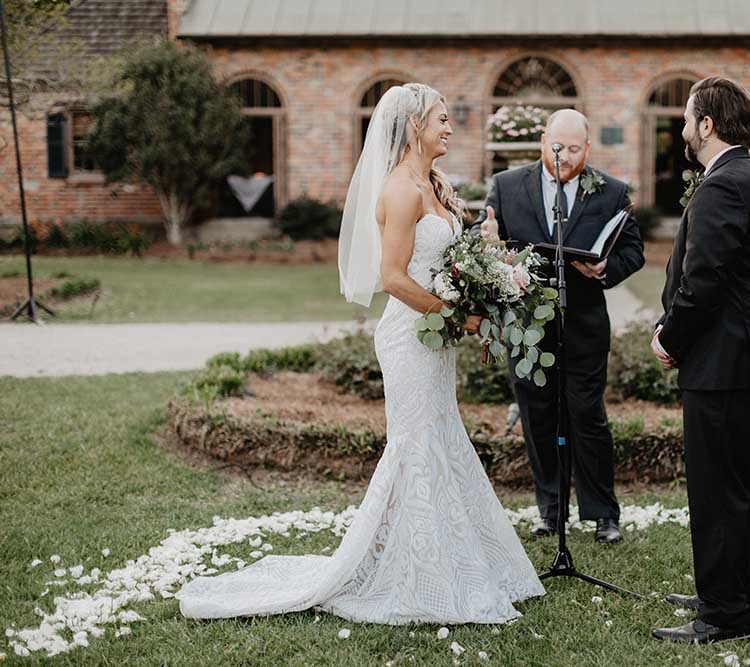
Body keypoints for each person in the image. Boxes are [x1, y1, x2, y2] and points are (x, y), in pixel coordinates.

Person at [176, 83, 545, 624]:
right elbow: (394, 278)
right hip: (409, 338)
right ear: (415, 126)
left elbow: (451, 261)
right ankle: (415, 575)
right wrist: (460, 315)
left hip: (433, 337)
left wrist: (484, 271)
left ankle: (453, 564)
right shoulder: (400, 190)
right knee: (415, 448)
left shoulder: (435, 184)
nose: (449, 127)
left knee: (440, 440)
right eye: (441, 119)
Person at [649, 77, 750, 644]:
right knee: (725, 485)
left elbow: (705, 282)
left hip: (724, 364)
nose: (681, 128)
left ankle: (725, 617)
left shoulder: (725, 183)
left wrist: (669, 338)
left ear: (707, 125)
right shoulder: (735, 176)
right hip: (729, 361)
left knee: (717, 489)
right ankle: (723, 594)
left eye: (686, 118)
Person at [475, 109, 645, 544]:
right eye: (558, 147)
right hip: (527, 327)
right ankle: (550, 511)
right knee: (538, 416)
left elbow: (633, 251)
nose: (565, 156)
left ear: (588, 148)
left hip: (585, 324)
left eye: (574, 149)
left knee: (588, 417)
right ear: (542, 144)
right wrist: (489, 245)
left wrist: (607, 269)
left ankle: (603, 514)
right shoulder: (507, 185)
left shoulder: (612, 191)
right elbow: (486, 239)